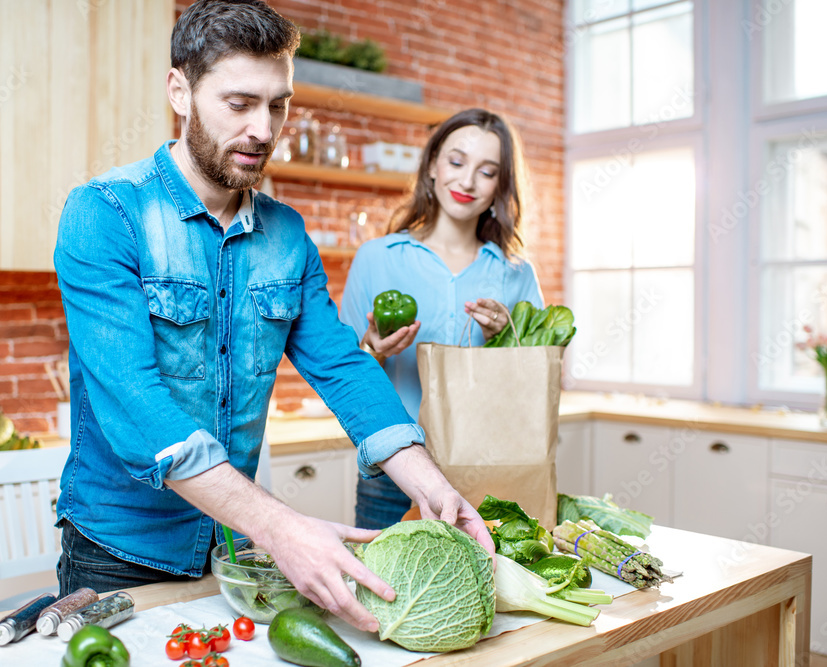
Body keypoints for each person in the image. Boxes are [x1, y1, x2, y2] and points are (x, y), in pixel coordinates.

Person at [52, 0, 491, 633]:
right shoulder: (105, 215)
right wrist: (284, 528)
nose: (264, 128)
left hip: (229, 545)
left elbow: (341, 365)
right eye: (239, 104)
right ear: (180, 90)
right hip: (118, 554)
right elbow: (137, 409)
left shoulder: (286, 234)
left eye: (278, 104)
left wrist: (429, 484)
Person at [339, 108, 545, 530]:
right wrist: (372, 351)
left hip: (489, 471)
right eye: (456, 162)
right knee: (385, 591)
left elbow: (537, 382)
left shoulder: (515, 272)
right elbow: (345, 373)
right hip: (394, 472)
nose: (467, 181)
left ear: (500, 186)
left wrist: (508, 337)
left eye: (487, 172)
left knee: (486, 595)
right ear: (432, 165)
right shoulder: (376, 258)